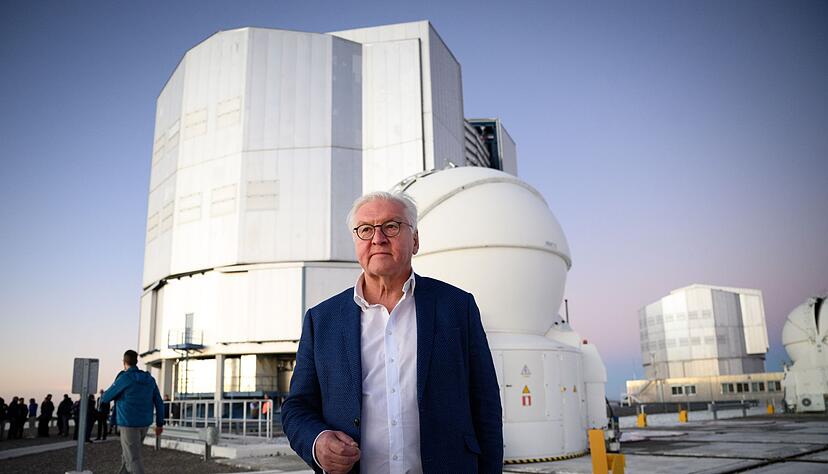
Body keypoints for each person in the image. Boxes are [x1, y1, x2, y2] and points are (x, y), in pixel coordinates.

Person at [281, 192, 503, 473]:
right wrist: (317, 441)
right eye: (366, 229)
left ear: (416, 240)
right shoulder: (322, 320)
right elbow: (297, 407)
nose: (378, 238)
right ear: (355, 241)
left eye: (391, 226)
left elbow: (486, 405)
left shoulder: (457, 307)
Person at [101, 349, 165, 474]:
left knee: (133, 459)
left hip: (128, 423)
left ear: (124, 362)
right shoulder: (149, 379)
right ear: (136, 362)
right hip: (144, 424)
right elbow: (159, 402)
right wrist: (159, 424)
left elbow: (106, 398)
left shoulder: (125, 378)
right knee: (127, 457)